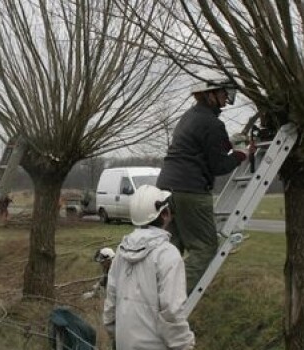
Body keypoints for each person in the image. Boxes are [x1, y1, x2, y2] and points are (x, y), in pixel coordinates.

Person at [156, 69, 247, 293]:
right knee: (204, 248)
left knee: (172, 247)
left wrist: (230, 143)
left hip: (168, 188)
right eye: (224, 93)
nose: (227, 98)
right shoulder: (213, 124)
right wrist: (242, 155)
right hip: (192, 190)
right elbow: (218, 166)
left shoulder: (190, 117)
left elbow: (203, 148)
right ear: (210, 94)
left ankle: (154, 292)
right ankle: (173, 297)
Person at [103, 185, 194, 350]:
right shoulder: (168, 254)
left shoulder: (121, 252)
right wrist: (184, 345)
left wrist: (116, 335)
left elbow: (111, 304)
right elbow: (172, 312)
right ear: (165, 214)